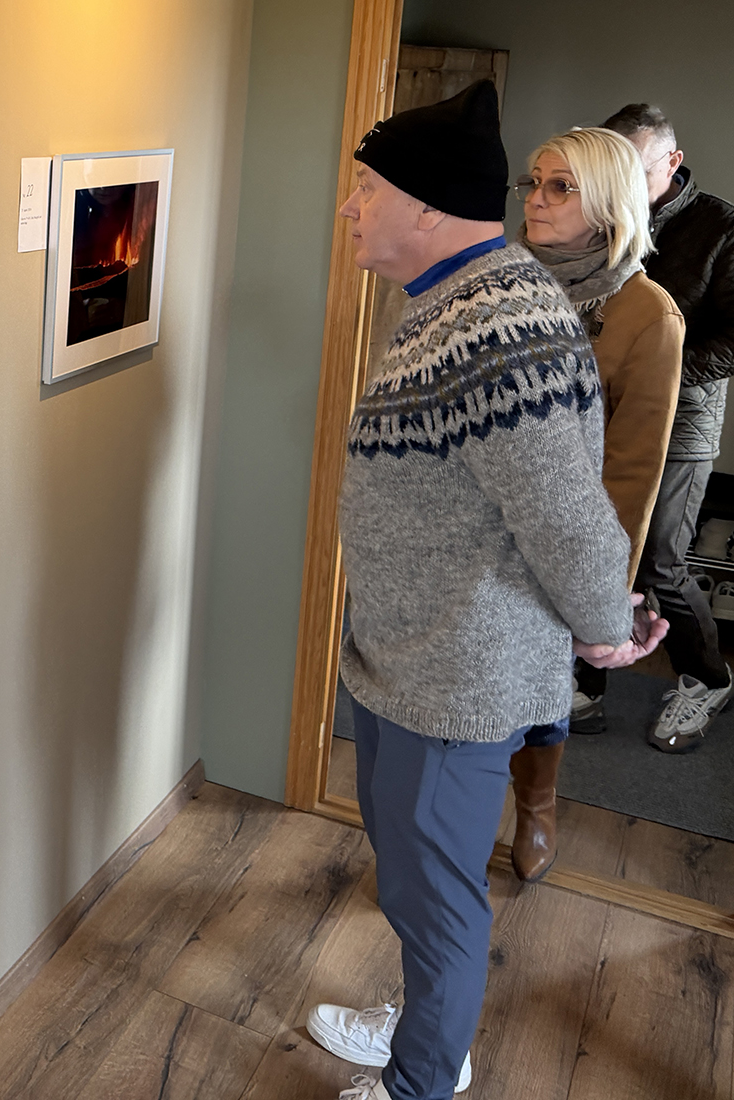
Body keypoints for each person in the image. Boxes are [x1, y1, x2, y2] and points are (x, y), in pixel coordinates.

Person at [309, 81, 666, 1100]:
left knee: (438, 899)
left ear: (425, 207)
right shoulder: (452, 300)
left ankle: (423, 1078)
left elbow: (565, 514)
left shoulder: (500, 328)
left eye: (366, 189)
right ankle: (430, 1024)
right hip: (407, 658)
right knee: (411, 878)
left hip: (456, 679)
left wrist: (606, 627)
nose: (349, 207)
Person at [508, 127, 684, 881]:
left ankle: (536, 805)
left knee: (543, 683)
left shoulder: (648, 315)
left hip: (568, 534)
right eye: (533, 183)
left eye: (561, 187)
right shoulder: (502, 282)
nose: (537, 200)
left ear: (609, 203)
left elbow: (634, 470)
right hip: (486, 522)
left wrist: (604, 588)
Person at [592, 103, 734, 753]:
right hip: (601, 408)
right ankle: (586, 677)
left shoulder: (720, 227)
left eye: (633, 168)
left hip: (683, 416)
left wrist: (659, 371)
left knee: (659, 559)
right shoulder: (601, 214)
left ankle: (708, 678)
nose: (618, 183)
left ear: (672, 162)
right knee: (594, 544)